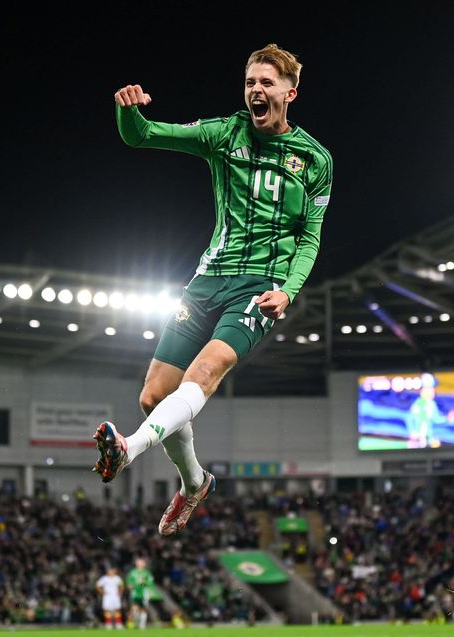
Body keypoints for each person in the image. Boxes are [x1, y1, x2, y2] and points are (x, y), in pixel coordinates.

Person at [93, 43, 333, 537]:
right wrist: (128, 112)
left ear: (291, 92)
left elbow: (309, 238)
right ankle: (195, 482)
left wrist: (288, 289)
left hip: (260, 287)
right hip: (207, 281)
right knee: (154, 395)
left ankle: (129, 449)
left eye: (267, 83)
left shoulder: (315, 159)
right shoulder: (224, 134)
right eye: (250, 83)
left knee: (206, 370)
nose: (256, 91)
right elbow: (144, 137)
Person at [125, 558, 155, 629]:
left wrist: (145, 582)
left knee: (143, 609)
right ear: (136, 564)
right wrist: (129, 585)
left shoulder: (147, 573)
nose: (141, 564)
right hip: (135, 592)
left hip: (144, 593)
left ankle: (142, 625)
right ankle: (136, 622)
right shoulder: (133, 572)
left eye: (142, 562)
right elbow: (129, 581)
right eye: (139, 562)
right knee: (134, 608)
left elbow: (151, 582)